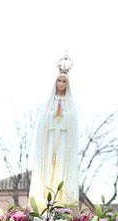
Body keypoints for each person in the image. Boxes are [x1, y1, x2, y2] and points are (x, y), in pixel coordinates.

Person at [29, 64, 79, 209]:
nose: (61, 84)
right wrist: (54, 114)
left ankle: (62, 201)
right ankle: (42, 201)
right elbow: (43, 120)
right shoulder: (49, 101)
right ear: (55, 82)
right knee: (48, 168)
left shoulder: (70, 103)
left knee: (61, 167)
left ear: (67, 84)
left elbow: (72, 122)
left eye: (64, 81)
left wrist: (63, 115)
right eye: (59, 80)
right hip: (49, 141)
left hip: (63, 141)